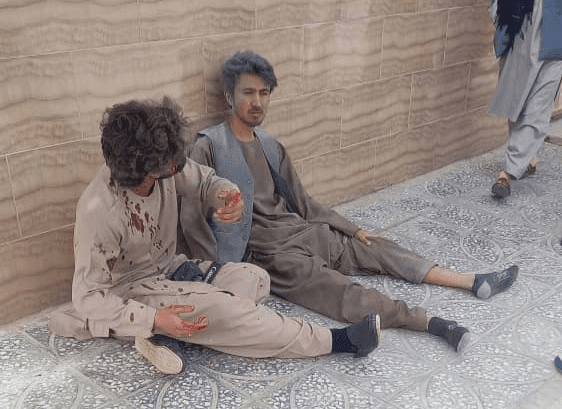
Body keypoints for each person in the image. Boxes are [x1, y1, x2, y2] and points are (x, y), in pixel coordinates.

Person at [182, 50, 520, 354]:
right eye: (248, 93)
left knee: (377, 247)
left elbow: (304, 202)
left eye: (264, 93)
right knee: (341, 291)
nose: (257, 102)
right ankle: (430, 323)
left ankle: (472, 281)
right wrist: (216, 268)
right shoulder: (209, 146)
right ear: (229, 96)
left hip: (302, 232)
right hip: (270, 254)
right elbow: (192, 217)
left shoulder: (270, 144)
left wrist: (353, 229)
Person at [47, 97, 384, 375]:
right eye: (171, 162)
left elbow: (206, 182)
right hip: (131, 292)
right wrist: (153, 317)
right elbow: (88, 297)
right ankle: (336, 341)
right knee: (229, 311)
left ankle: (166, 336)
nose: (180, 162)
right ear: (147, 170)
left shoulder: (163, 162)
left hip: (172, 271)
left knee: (255, 279)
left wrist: (228, 196)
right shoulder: (99, 211)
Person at [489, 0, 562, 198]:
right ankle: (528, 156)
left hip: (557, 32)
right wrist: (498, 13)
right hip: (521, 25)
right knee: (516, 101)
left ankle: (507, 173)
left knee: (539, 107)